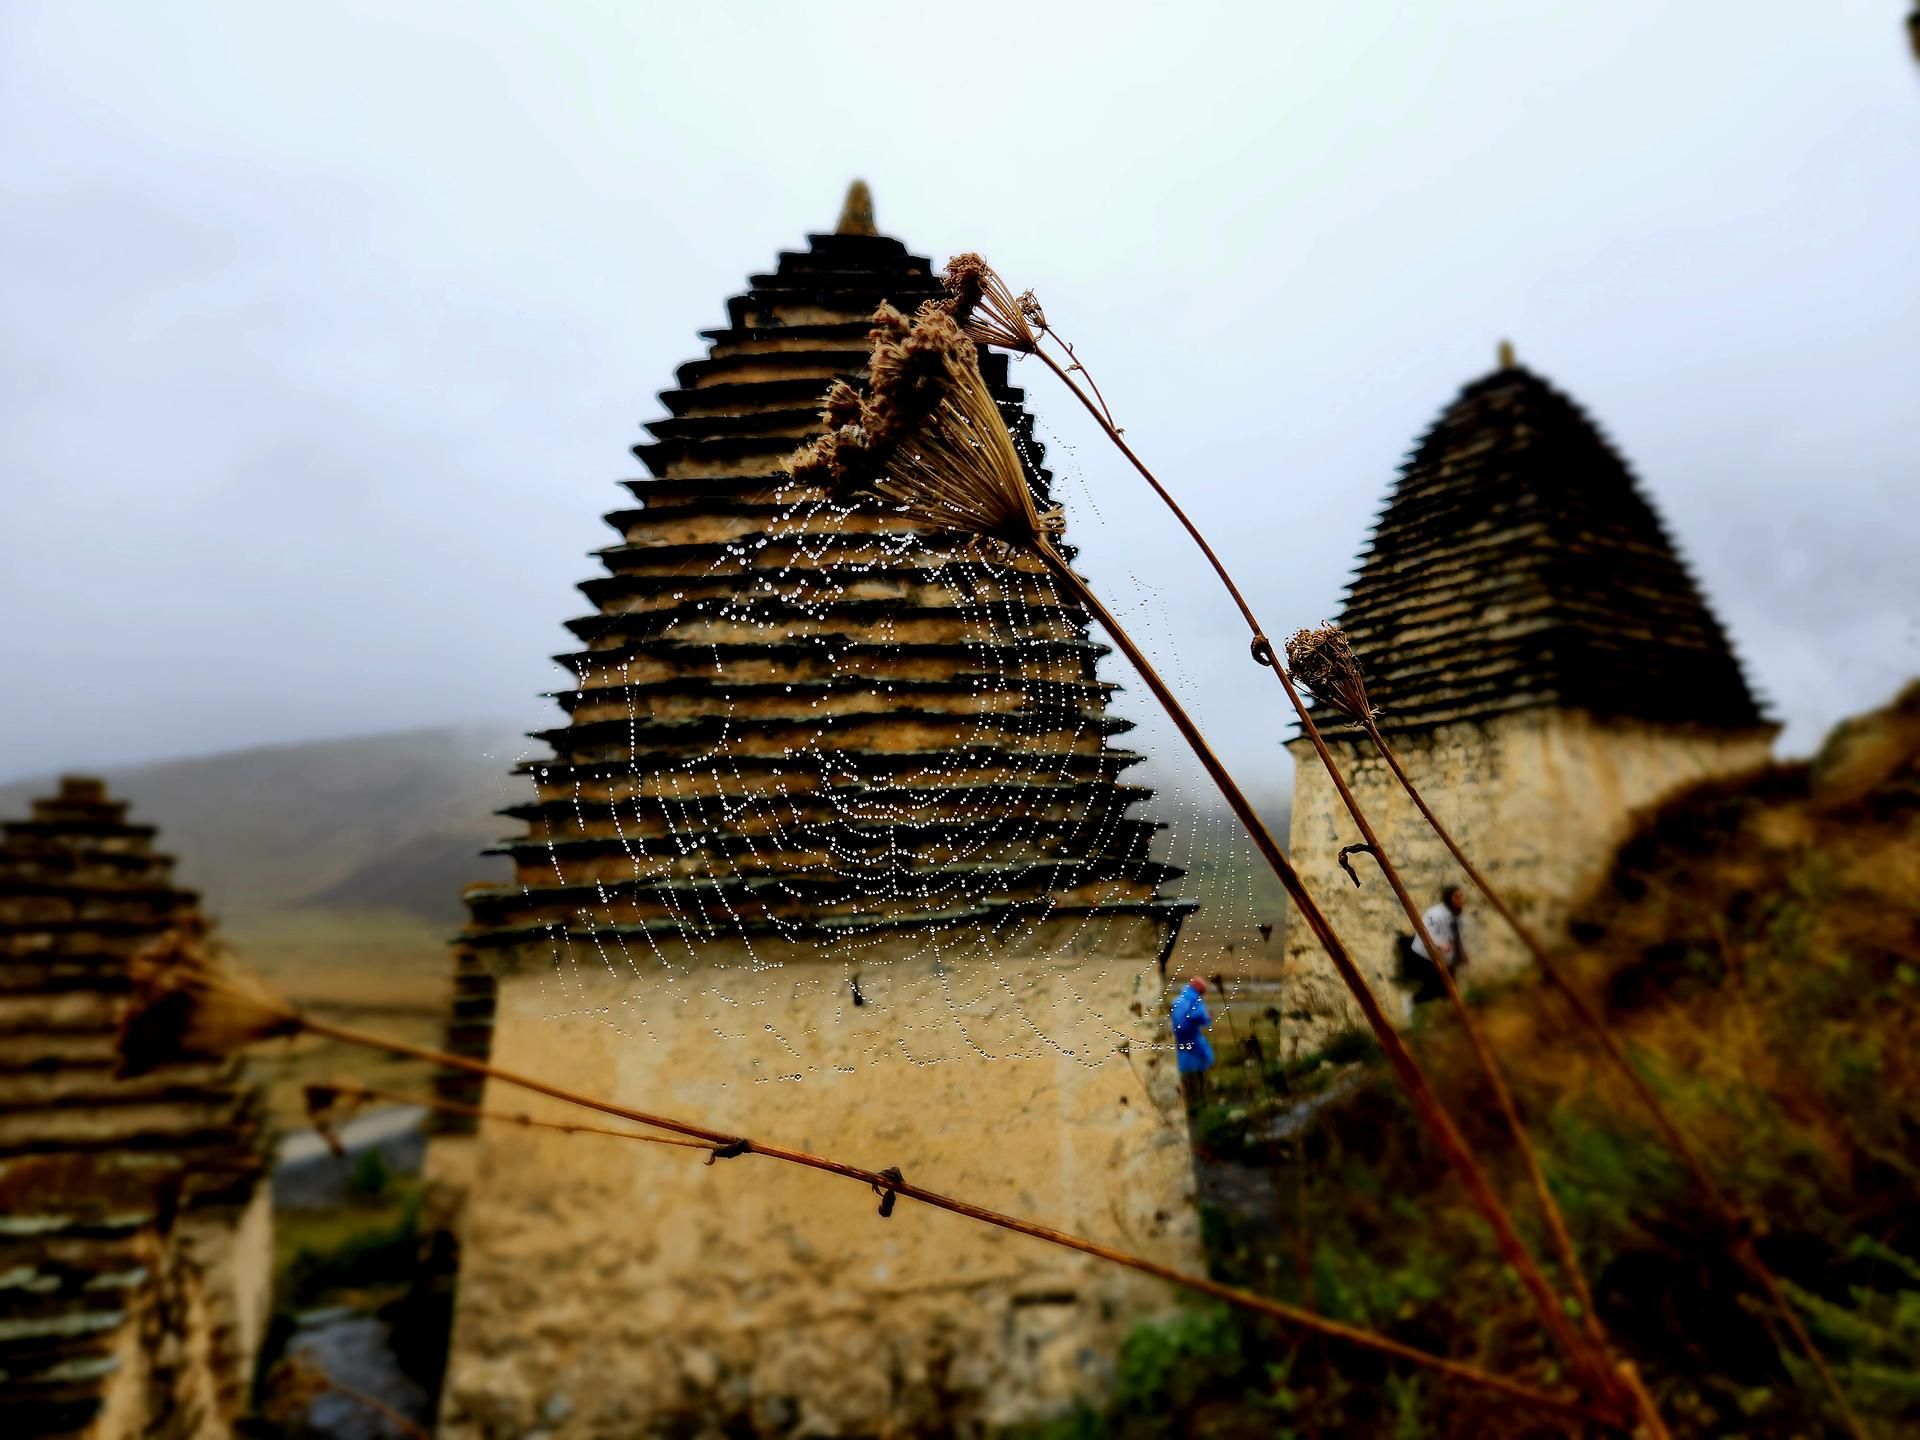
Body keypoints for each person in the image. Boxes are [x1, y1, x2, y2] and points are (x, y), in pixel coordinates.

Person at [1400, 885, 1469, 1003]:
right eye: (1457, 896)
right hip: (1426, 956)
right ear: (1449, 898)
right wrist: (1439, 945)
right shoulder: (1435, 913)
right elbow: (1426, 931)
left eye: (1461, 896)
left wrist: (1463, 953)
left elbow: (1458, 937)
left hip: (1445, 958)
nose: (1461, 899)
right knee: (1438, 987)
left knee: (1448, 990)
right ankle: (1412, 1002)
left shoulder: (1457, 916)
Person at [1169, 976, 1215, 1111]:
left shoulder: (1177, 999)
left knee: (1184, 1066)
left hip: (1179, 1039)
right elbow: (1198, 1016)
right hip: (1193, 1038)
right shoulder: (1194, 1000)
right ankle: (1199, 1098)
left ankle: (1187, 1094)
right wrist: (1208, 1017)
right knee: (1203, 1062)